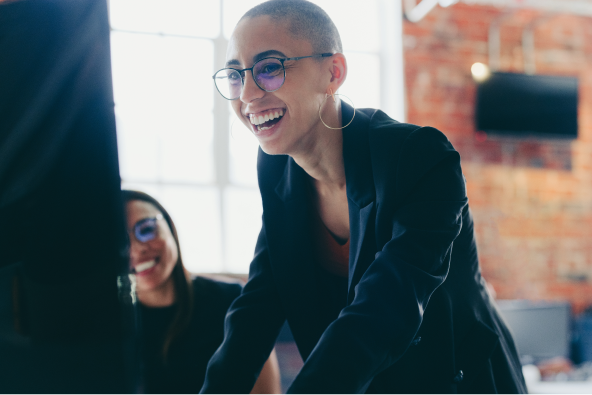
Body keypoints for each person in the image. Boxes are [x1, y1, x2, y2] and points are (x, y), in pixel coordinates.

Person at [201, 1, 527, 394]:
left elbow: (388, 305)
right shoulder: (276, 170)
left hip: (459, 380)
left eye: (269, 68)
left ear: (332, 73)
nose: (248, 95)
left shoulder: (419, 156)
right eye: (236, 75)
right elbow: (256, 308)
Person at [122, 190, 281, 395]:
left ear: (170, 228)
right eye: (121, 241)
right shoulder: (108, 324)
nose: (137, 249)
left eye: (146, 229)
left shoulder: (233, 301)